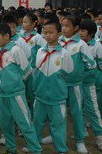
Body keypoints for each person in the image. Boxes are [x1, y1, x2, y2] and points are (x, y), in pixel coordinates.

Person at [0, 23, 41, 154]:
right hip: (2, 94)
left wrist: (15, 83)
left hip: (16, 94)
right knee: (5, 124)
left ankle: (36, 149)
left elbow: (26, 71)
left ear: (7, 36)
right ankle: (11, 148)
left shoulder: (15, 50)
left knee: (25, 123)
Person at [55, 15, 95, 154]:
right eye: (62, 25)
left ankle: (80, 140)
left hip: (75, 84)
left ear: (76, 28)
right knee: (59, 112)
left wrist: (78, 74)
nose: (64, 28)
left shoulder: (81, 44)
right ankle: (57, 136)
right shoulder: (58, 40)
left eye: (67, 26)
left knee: (77, 112)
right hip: (59, 84)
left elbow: (91, 64)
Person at [32, 21, 74, 154]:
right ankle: (35, 146)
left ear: (59, 34)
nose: (48, 35)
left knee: (58, 125)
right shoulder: (40, 51)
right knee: (37, 123)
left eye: (51, 32)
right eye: (45, 32)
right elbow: (36, 69)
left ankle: (61, 149)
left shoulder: (64, 54)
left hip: (57, 98)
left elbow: (68, 71)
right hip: (40, 96)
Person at [79, 19, 102, 152]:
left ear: (91, 33)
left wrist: (94, 72)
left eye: (83, 31)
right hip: (75, 84)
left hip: (88, 83)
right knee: (77, 109)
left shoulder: (97, 46)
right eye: (79, 30)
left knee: (92, 109)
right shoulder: (77, 44)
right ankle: (81, 131)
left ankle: (99, 137)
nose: (80, 33)